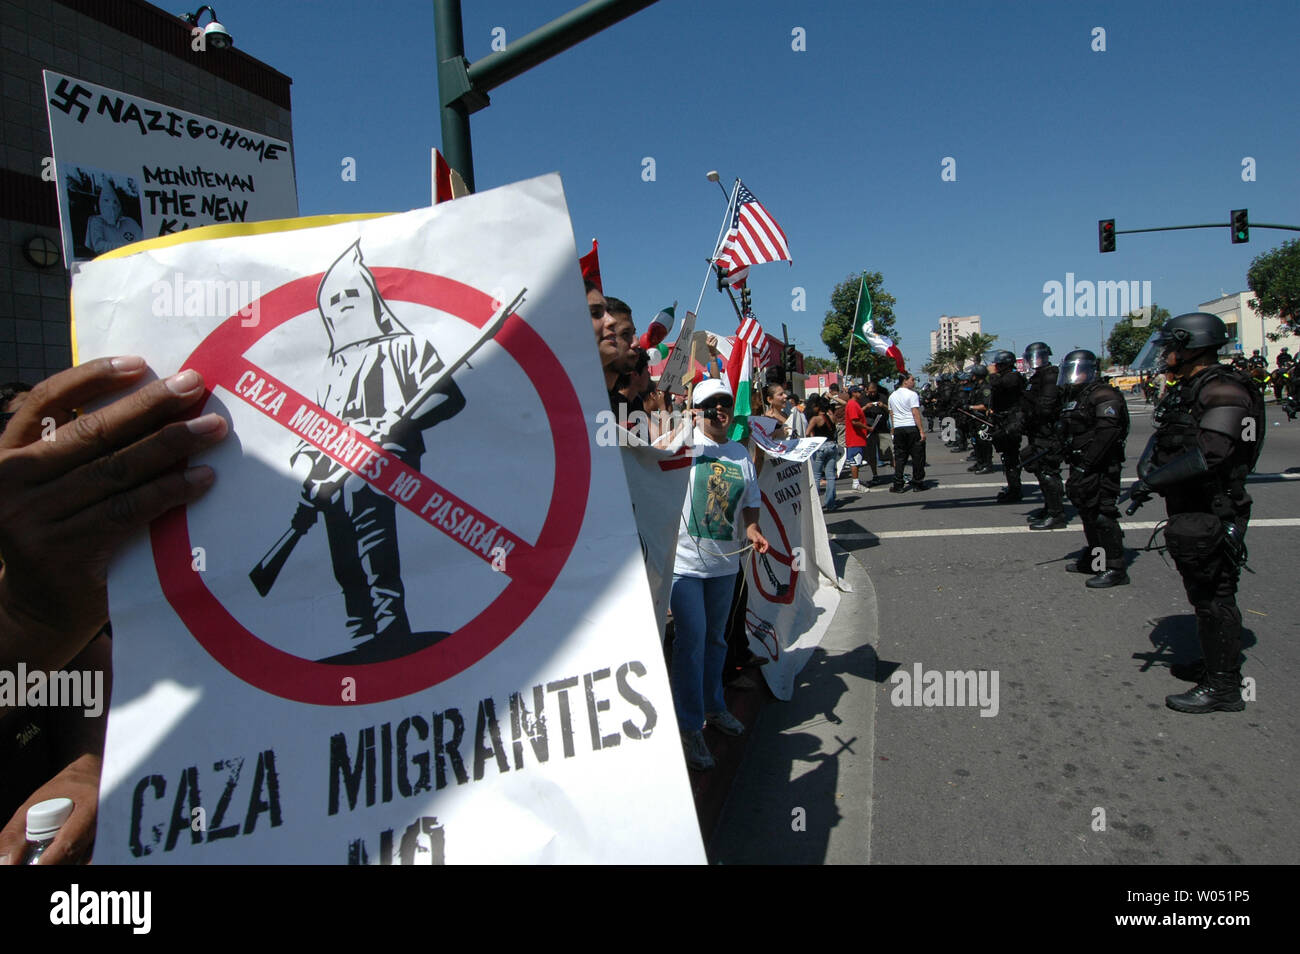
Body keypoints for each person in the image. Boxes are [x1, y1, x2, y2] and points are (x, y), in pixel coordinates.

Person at [288, 243, 466, 654]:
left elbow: (448, 397)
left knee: (359, 494)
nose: (344, 303)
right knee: (339, 531)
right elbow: (307, 432)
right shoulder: (327, 369)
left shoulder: (406, 347)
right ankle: (360, 630)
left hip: (388, 460)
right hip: (334, 468)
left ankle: (390, 625)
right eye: (335, 299)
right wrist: (308, 470)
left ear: (369, 297)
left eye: (352, 294)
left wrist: (397, 423)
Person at [1128, 313, 1264, 713]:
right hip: (1192, 505)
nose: (1165, 354)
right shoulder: (1191, 387)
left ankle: (1223, 687)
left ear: (1192, 346)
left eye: (1171, 346)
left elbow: (1212, 454)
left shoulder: (1224, 388)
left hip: (1214, 506)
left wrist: (1154, 482)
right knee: (1202, 592)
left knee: (1215, 596)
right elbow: (1169, 434)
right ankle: (1214, 666)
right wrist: (1150, 466)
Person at [669, 379, 770, 770]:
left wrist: (753, 529)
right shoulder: (684, 443)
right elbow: (649, 469)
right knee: (691, 639)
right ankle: (689, 724)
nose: (720, 410)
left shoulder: (738, 453)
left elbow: (751, 501)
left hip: (726, 564)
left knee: (716, 639)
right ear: (698, 410)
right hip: (684, 564)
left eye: (725, 403)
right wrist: (677, 424)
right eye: (711, 404)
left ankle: (714, 706)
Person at [1057, 350, 1129, 587]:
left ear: (1091, 370)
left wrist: (1086, 466)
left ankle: (1116, 567)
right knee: (1088, 512)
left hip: (1101, 466)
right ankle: (1096, 560)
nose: (1072, 376)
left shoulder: (1104, 395)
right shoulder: (1078, 395)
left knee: (1102, 514)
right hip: (1081, 463)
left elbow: (1107, 435)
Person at [1022, 342, 1068, 530]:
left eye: (1038, 356)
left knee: (1049, 472)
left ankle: (1056, 514)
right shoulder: (1038, 377)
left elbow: (1045, 406)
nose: (1035, 361)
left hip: (1049, 433)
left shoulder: (1051, 375)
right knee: (1040, 470)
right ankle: (1050, 507)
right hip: (1039, 431)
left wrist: (1028, 408)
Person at [987, 350, 1026, 502]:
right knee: (1007, 457)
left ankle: (1015, 490)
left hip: (1012, 421)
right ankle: (1013, 488)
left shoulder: (1012, 377)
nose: (994, 366)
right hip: (1004, 420)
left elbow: (998, 384)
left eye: (997, 364)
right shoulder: (1007, 376)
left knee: (1011, 458)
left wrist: (991, 374)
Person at [888, 372, 927, 492]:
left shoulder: (892, 396)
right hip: (910, 427)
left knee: (900, 457)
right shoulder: (912, 394)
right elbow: (915, 412)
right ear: (905, 381)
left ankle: (898, 484)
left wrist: (894, 428)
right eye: (912, 380)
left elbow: (892, 414)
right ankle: (917, 483)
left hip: (899, 428)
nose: (914, 382)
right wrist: (921, 430)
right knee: (917, 456)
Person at [83, 182, 142, 255]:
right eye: (106, 201)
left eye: (115, 202)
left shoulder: (130, 222)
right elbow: (99, 247)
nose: (111, 206)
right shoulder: (96, 221)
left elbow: (143, 242)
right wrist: (126, 247)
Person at [806, 395, 840, 511]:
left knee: (817, 476)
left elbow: (807, 433)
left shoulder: (815, 419)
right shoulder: (831, 417)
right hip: (832, 445)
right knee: (831, 476)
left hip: (820, 446)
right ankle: (830, 503)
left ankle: (815, 505)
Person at [861, 382, 891, 484]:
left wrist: (883, 406)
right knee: (871, 454)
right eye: (871, 392)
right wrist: (866, 407)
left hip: (882, 428)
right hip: (869, 430)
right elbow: (858, 412)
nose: (873, 394)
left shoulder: (882, 397)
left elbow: (890, 410)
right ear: (866, 390)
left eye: (874, 392)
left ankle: (898, 473)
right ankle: (875, 474)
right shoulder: (863, 399)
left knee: (889, 452)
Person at [842, 385, 871, 492]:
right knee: (855, 461)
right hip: (855, 438)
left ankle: (857, 481)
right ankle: (855, 483)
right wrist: (867, 427)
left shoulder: (854, 404)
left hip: (858, 438)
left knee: (857, 461)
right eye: (859, 392)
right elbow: (854, 421)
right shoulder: (852, 404)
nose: (861, 393)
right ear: (853, 393)